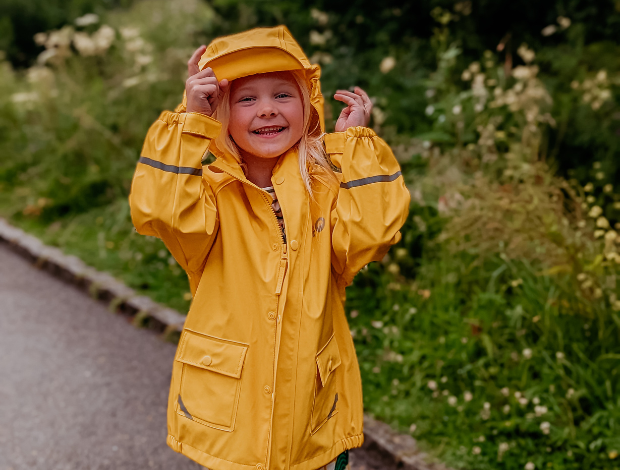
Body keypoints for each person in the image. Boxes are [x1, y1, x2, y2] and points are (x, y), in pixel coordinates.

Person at [129, 25, 410, 470]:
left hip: (310, 413)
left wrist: (355, 147)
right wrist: (188, 121)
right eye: (246, 99)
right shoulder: (211, 195)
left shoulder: (326, 190)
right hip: (231, 414)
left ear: (307, 106)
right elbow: (159, 209)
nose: (266, 111)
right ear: (220, 112)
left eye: (282, 95)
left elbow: (372, 235)